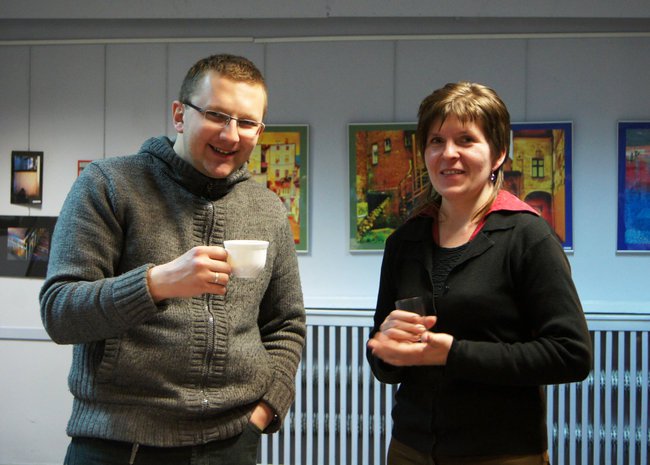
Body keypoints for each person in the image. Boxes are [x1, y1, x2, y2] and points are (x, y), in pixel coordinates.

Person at [40, 54, 306, 465]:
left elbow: (286, 324)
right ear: (180, 115)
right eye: (216, 115)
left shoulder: (268, 209)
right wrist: (156, 283)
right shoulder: (108, 185)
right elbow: (60, 312)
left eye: (246, 122)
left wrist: (266, 409)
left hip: (232, 444)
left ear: (259, 131)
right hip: (120, 445)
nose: (231, 134)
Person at [366, 81, 592, 465]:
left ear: (498, 153)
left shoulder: (527, 236)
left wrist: (453, 354)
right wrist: (386, 348)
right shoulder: (404, 241)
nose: (448, 153)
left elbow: (571, 354)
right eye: (436, 141)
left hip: (500, 452)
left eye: (466, 140)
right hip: (409, 448)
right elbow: (384, 364)